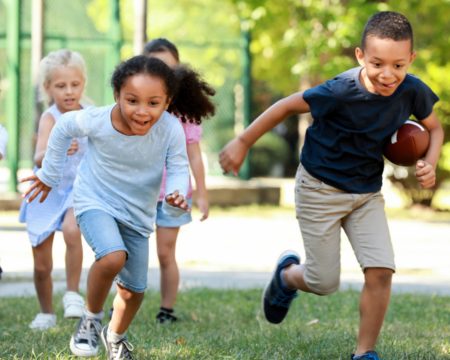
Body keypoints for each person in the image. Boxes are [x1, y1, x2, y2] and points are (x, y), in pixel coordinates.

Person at [219, 11, 444, 360]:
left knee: (382, 270)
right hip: (319, 188)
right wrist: (243, 142)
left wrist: (429, 161)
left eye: (399, 65)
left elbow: (435, 128)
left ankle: (364, 353)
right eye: (377, 63)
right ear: (360, 57)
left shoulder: (411, 90)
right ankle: (287, 276)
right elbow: (284, 107)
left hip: (366, 194)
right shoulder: (340, 90)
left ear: (410, 59)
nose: (388, 75)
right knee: (325, 283)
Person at [21, 55, 216, 359]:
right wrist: (49, 173)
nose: (142, 111)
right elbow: (63, 127)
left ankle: (115, 336)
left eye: (153, 103)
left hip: (138, 215)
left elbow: (178, 167)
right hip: (93, 200)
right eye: (132, 100)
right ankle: (90, 319)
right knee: (112, 257)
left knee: (134, 291)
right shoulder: (98, 118)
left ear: (167, 102)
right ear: (117, 96)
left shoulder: (170, 129)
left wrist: (178, 192)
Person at [19, 49, 89, 330]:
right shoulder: (50, 117)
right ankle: (46, 312)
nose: (69, 92)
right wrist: (55, 150)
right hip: (46, 190)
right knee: (41, 265)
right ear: (48, 88)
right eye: (60, 86)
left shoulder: (90, 116)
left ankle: (72, 294)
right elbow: (38, 158)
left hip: (77, 189)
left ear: (83, 83)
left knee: (74, 230)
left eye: (74, 84)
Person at [144, 38, 209, 324]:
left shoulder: (186, 114)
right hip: (138, 193)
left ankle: (166, 311)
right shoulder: (138, 109)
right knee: (125, 252)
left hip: (174, 195)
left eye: (169, 68)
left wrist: (203, 194)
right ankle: (119, 303)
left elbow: (194, 157)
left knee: (165, 253)